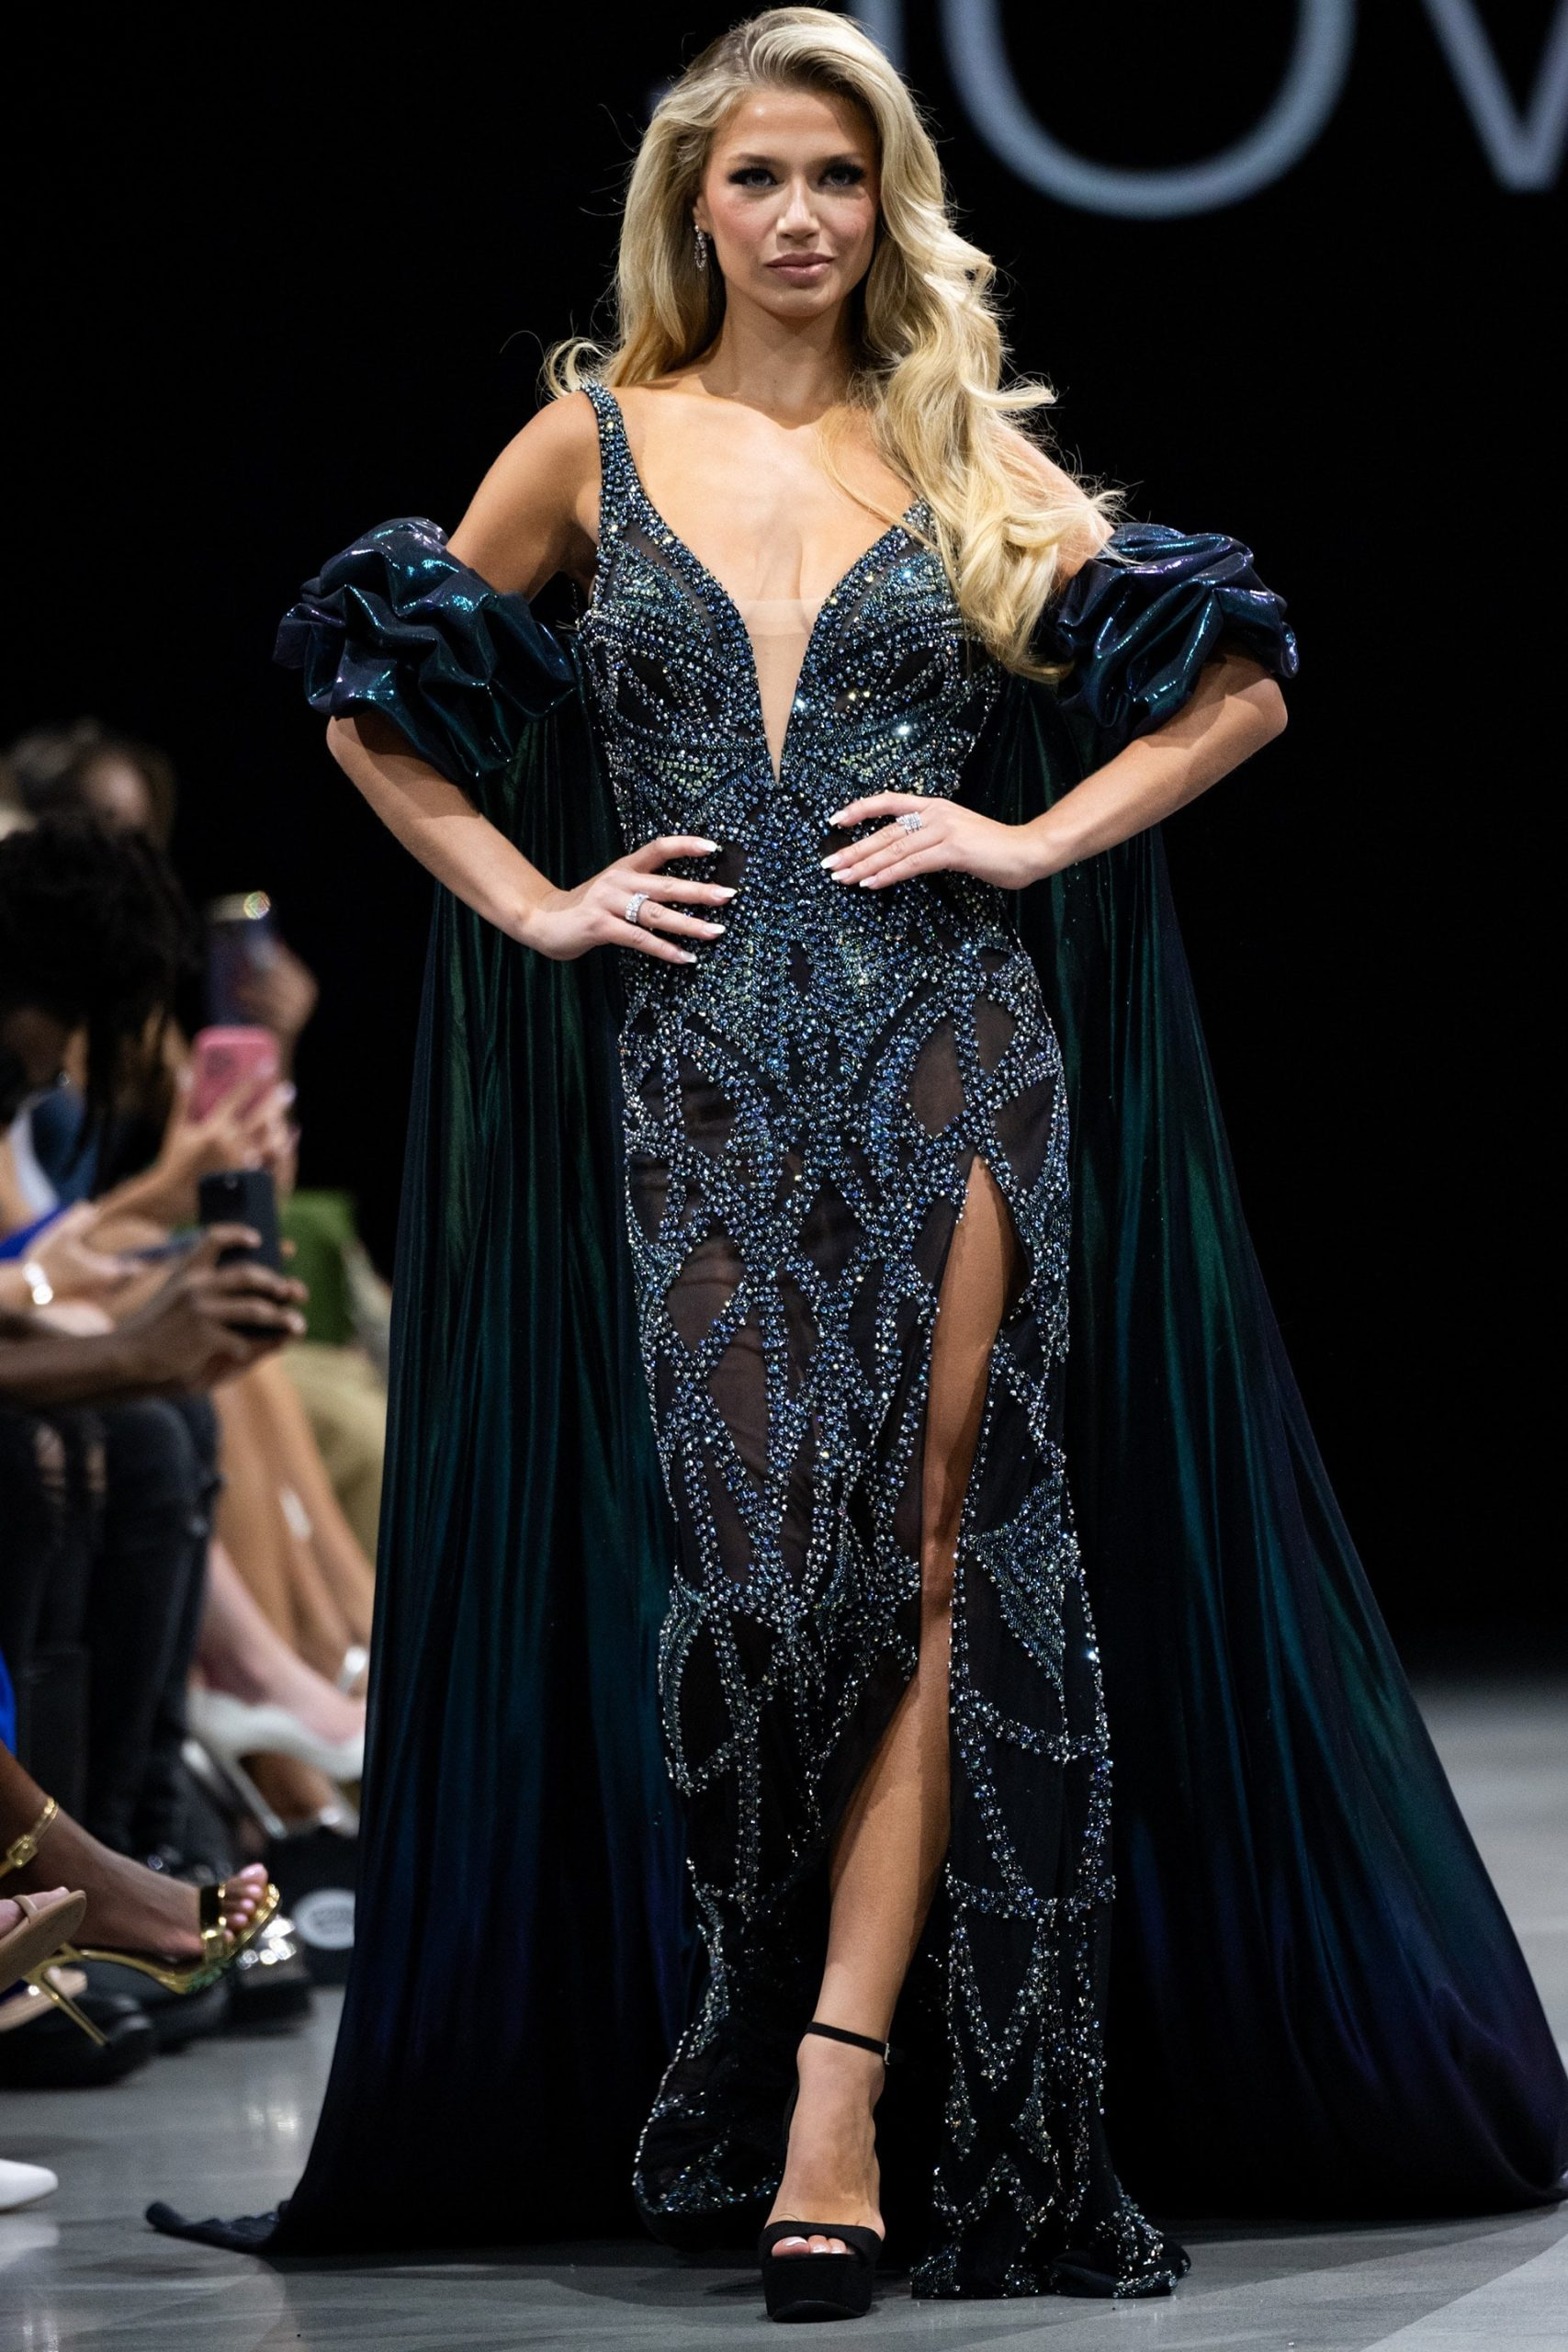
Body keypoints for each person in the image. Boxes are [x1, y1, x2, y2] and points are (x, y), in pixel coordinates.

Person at [152, 5, 1566, 2313]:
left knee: (926, 1558)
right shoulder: (591, 439)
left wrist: (1029, 839)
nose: (800, 215)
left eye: (837, 175)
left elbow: (1237, 680)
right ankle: (749, 2014)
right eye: (758, 178)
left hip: (950, 1061)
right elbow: (370, 700)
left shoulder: (962, 447)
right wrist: (536, 902)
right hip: (699, 1071)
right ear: (690, 206)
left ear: (885, 200)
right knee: (754, 1598)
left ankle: (833, 2088)